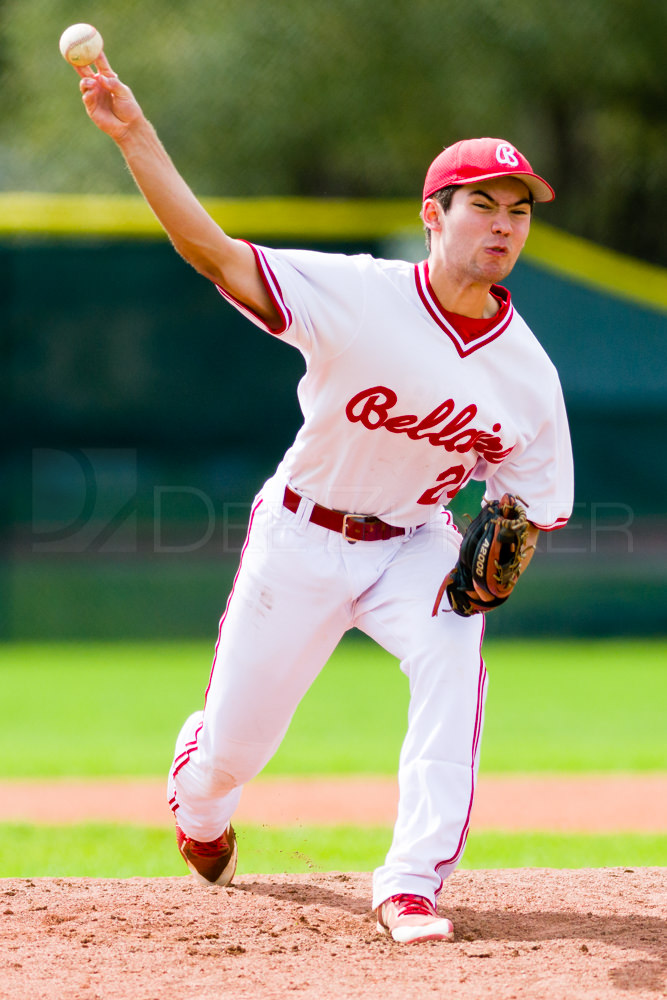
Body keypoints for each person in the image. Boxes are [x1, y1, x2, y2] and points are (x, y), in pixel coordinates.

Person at [72, 52, 573, 944]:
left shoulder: (527, 372)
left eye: (519, 209)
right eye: (483, 204)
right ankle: (199, 795)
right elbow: (213, 253)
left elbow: (530, 497)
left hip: (412, 543)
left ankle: (411, 883)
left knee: (455, 656)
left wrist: (507, 547)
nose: (504, 224)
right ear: (433, 215)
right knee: (232, 753)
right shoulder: (356, 294)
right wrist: (136, 136)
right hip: (300, 538)